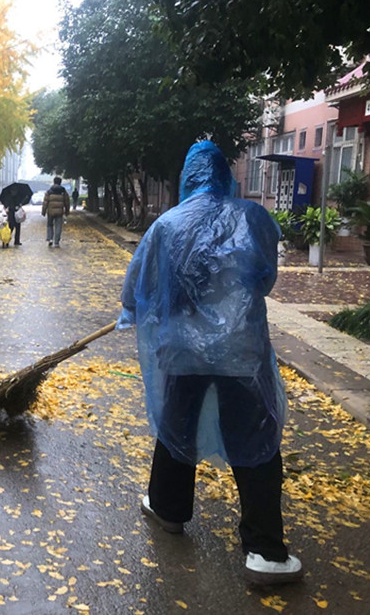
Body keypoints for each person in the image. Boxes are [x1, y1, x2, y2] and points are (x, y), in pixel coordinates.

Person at [117, 141, 302, 586]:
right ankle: (265, 552)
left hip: (183, 350)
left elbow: (138, 289)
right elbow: (265, 280)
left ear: (187, 177)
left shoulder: (165, 225)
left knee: (176, 426)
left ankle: (168, 509)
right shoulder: (253, 218)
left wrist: (136, 310)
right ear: (225, 175)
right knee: (254, 440)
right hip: (241, 352)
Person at [42, 176, 70, 247]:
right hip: (59, 212)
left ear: (54, 182)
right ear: (60, 182)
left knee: (49, 225)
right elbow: (67, 202)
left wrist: (43, 211)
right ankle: (56, 242)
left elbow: (45, 202)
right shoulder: (63, 191)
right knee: (58, 226)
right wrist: (67, 211)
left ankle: (50, 239)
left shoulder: (49, 191)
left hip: (50, 211)